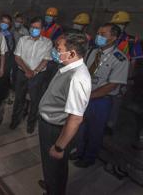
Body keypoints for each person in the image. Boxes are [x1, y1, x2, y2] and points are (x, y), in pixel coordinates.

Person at [38, 32, 91, 195]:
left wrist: (59, 147)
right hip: (49, 123)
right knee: (49, 164)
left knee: (56, 165)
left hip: (56, 129)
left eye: (58, 49)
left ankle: (55, 190)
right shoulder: (67, 67)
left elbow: (75, 119)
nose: (55, 51)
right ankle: (50, 184)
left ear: (72, 53)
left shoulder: (77, 77)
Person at [71, 23, 129, 168]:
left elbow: (112, 85)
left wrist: (90, 95)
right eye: (98, 33)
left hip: (101, 101)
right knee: (80, 126)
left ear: (114, 37)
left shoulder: (120, 59)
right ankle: (79, 151)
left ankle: (89, 157)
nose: (99, 37)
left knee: (95, 130)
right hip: (84, 96)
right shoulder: (92, 52)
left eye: (103, 34)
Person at [10, 17, 52, 133]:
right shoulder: (23, 40)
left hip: (37, 76)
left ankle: (31, 124)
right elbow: (17, 57)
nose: (34, 29)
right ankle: (15, 120)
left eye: (37, 28)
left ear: (42, 29)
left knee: (35, 101)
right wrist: (27, 70)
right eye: (32, 27)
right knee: (19, 98)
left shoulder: (47, 43)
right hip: (22, 73)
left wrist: (35, 71)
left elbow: (45, 60)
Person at [0, 15, 16, 95]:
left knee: (3, 79)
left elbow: (9, 50)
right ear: (0, 22)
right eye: (3, 22)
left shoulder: (9, 35)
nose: (4, 24)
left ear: (9, 25)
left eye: (7, 23)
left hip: (4, 60)